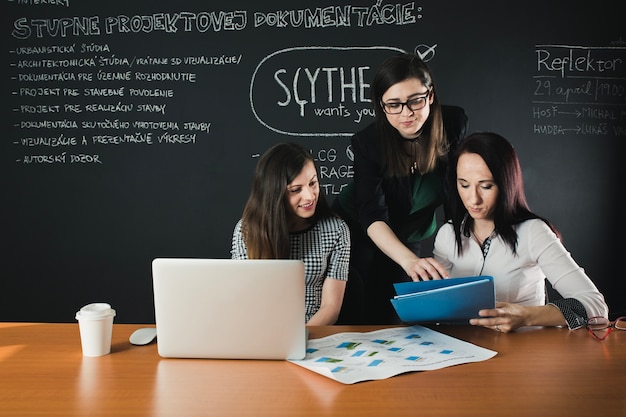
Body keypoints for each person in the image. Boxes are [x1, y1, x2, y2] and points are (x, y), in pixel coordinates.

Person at [333, 53, 468, 324]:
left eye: (415, 101)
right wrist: (407, 260)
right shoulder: (367, 142)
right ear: (382, 107)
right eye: (394, 105)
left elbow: (460, 187)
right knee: (361, 306)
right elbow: (371, 214)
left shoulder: (453, 124)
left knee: (400, 309)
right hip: (358, 227)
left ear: (430, 95)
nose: (406, 113)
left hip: (409, 227)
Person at [433, 132, 608, 332]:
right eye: (464, 185)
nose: (473, 199)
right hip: (464, 351)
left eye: (486, 186)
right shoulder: (447, 234)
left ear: (506, 184)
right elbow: (438, 305)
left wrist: (526, 316)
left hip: (523, 353)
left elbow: (596, 306)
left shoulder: (533, 232)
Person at [231, 142, 350, 325]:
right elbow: (243, 300)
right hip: (261, 331)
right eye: (296, 190)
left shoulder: (336, 230)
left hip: (313, 333)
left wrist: (299, 338)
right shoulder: (247, 231)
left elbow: (331, 307)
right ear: (274, 194)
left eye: (313, 183)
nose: (309, 196)